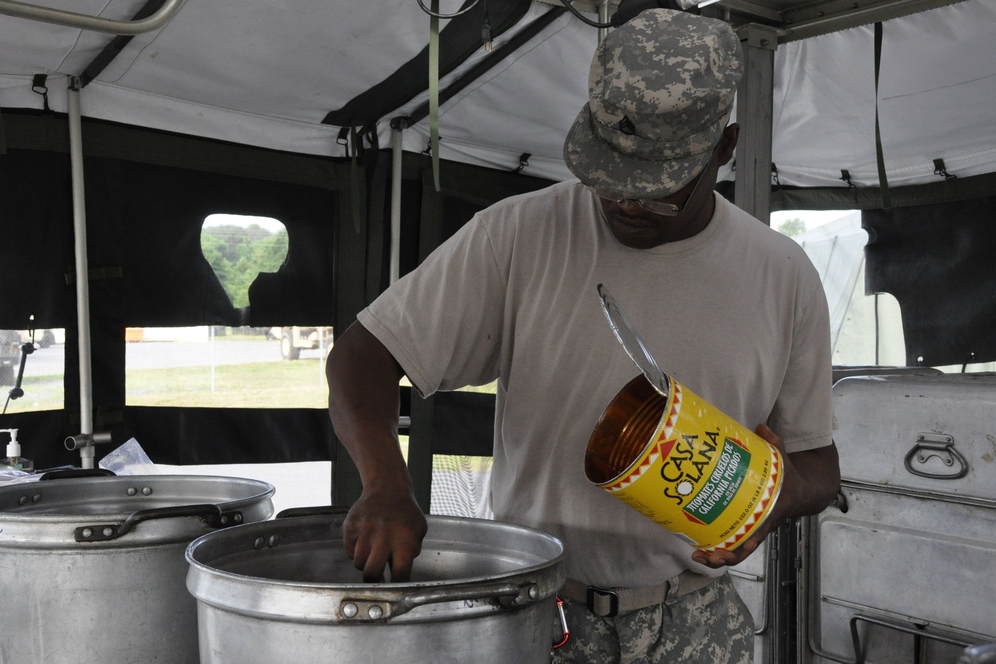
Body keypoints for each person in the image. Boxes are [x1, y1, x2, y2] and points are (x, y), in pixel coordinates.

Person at [327, 8, 840, 663]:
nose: (626, 202)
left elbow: (820, 467)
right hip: (536, 609)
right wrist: (385, 487)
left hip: (694, 617)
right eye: (609, 176)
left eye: (655, 189)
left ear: (725, 147)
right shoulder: (516, 236)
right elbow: (361, 359)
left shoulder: (782, 275)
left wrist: (773, 497)